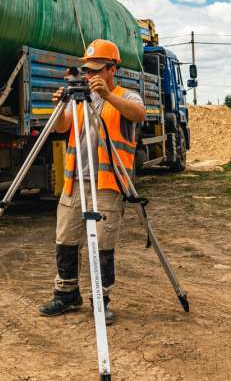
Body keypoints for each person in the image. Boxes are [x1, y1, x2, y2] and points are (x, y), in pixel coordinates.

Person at [38, 39, 146, 324]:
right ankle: (66, 294)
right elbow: (61, 128)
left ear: (113, 69)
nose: (90, 76)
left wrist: (108, 96)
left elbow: (138, 115)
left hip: (107, 183)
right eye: (87, 71)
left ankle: (102, 298)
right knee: (66, 238)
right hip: (75, 181)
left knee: (102, 243)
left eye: (97, 70)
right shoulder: (79, 98)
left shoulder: (128, 96)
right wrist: (62, 104)